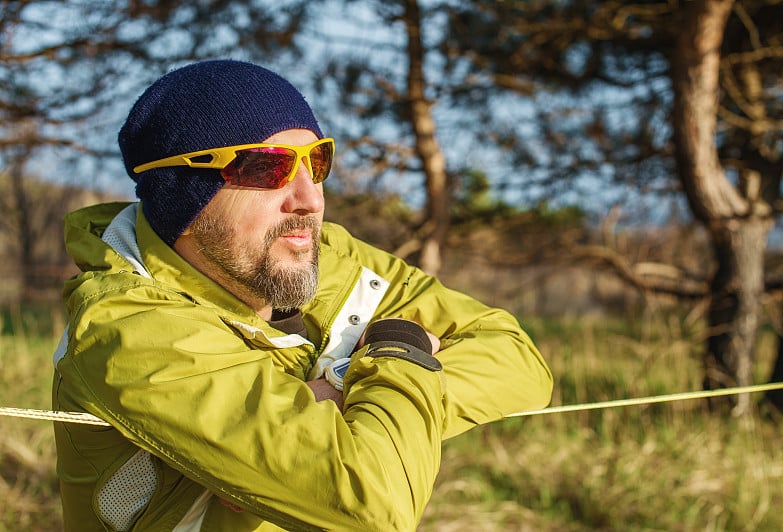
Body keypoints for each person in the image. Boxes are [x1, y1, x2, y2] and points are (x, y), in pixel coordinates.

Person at [52, 59, 552, 531]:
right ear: (182, 192)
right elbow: (373, 502)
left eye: (316, 160)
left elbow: (519, 360)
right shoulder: (128, 332)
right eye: (267, 168)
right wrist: (401, 350)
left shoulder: (321, 256)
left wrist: (337, 393)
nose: (310, 198)